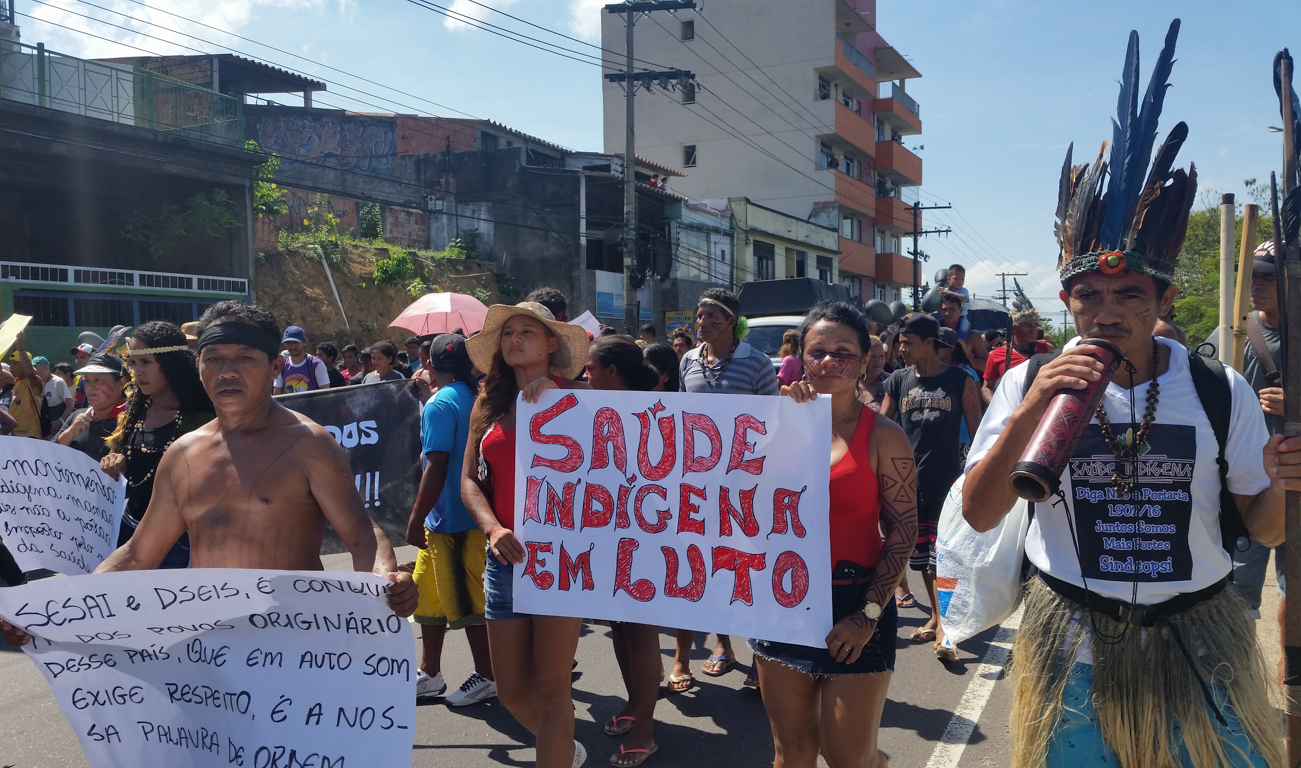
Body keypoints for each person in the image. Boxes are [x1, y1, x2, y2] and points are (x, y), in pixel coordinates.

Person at [965, 26, 1290, 765]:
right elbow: (982, 511)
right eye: (1088, 296)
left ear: (1161, 298)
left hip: (1198, 642)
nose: (1106, 311)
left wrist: (1284, 481)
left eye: (1126, 294)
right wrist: (1029, 407)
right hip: (1072, 648)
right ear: (1068, 303)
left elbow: (1265, 532)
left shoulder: (1216, 385)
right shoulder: (1024, 383)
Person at [2, 301, 417, 650]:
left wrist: (386, 580)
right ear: (198, 363)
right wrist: (50, 612)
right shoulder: (183, 454)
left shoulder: (310, 444)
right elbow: (137, 555)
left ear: (274, 366)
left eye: (245, 359)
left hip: (292, 644)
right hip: (206, 650)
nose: (227, 372)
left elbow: (362, 534)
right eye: (214, 358)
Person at [762, 301, 917, 768]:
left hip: (856, 600)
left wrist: (868, 613)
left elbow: (903, 530)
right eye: (818, 351)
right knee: (791, 752)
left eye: (844, 352)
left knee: (848, 756)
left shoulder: (883, 435)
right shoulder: (767, 423)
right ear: (801, 358)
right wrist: (781, 426)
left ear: (866, 359)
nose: (829, 361)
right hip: (780, 601)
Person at [462, 302, 591, 768]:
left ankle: (555, 750)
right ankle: (563, 747)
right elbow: (469, 482)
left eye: (527, 332)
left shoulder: (583, 397)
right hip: (505, 561)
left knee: (552, 688)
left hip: (563, 561)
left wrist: (562, 399)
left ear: (551, 343)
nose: (514, 339)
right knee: (512, 688)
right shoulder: (488, 402)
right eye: (507, 333)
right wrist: (492, 527)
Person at [679, 287, 779, 687]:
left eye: (712, 318)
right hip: (702, 487)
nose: (702, 323)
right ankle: (723, 644)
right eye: (699, 316)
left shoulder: (757, 364)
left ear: (732, 322)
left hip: (748, 488)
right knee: (710, 567)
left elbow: (771, 423)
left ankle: (761, 656)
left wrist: (747, 471)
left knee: (749, 568)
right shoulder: (687, 360)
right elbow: (681, 419)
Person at [1202, 244, 1289, 645]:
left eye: (1267, 275)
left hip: (1295, 482)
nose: (1255, 284)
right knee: (1235, 603)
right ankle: (1239, 698)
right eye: (1250, 275)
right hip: (1246, 488)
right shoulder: (1229, 332)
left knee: (1296, 604)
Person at [880, 314, 980, 661]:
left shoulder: (959, 379)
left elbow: (978, 431)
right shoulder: (897, 380)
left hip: (947, 484)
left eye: (908, 342)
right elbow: (881, 426)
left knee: (947, 558)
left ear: (929, 342)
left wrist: (975, 477)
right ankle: (937, 616)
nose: (901, 348)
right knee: (922, 559)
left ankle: (946, 630)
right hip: (908, 484)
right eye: (900, 342)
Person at [583, 336, 662, 766]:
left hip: (647, 539)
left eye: (591, 368)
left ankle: (646, 729)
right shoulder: (589, 408)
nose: (585, 375)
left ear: (612, 371)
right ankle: (635, 703)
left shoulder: (658, 413)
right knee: (619, 627)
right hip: (608, 538)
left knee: (641, 633)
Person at [405, 334, 496, 707]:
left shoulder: (441, 403)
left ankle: (488, 676)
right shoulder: (477, 396)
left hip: (454, 521)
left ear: (430, 363)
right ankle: (430, 672)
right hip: (451, 519)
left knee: (468, 602)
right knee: (427, 594)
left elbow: (436, 465)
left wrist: (415, 519)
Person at [100, 322, 215, 570]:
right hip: (128, 533)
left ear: (171, 363)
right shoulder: (135, 410)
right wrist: (114, 459)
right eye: (133, 363)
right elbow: (118, 451)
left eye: (146, 362)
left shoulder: (203, 417)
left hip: (180, 545)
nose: (137, 371)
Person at [55, 352, 127, 460]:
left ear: (121, 384)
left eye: (98, 380)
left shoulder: (130, 423)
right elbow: (49, 455)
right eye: (87, 380)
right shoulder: (77, 416)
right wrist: (70, 432)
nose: (90, 387)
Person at [981, 304, 1051, 403]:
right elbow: (986, 388)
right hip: (1014, 410)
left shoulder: (1047, 349)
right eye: (1027, 326)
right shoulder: (996, 355)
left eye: (1035, 325)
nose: (1034, 330)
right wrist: (999, 407)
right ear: (1014, 328)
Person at [936, 292, 989, 377]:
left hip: (965, 384)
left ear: (960, 310)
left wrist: (966, 358)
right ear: (939, 310)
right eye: (944, 309)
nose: (947, 313)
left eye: (952, 309)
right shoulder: (933, 335)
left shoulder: (972, 337)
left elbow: (988, 365)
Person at [272, 325, 331, 395]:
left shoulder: (316, 364)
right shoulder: (282, 366)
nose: (292, 346)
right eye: (289, 343)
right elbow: (277, 395)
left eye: (296, 342)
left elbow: (326, 395)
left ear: (305, 342)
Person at [6, 335, 43, 439]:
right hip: (14, 436)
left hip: (30, 436)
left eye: (15, 364)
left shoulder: (34, 382)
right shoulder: (17, 381)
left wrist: (20, 346)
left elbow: (30, 373)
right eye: (10, 364)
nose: (11, 367)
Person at [37, 356, 72, 437]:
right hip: (39, 427)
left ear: (45, 367)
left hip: (55, 427)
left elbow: (70, 404)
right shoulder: (34, 382)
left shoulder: (58, 382)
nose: (33, 371)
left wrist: (60, 421)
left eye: (35, 367)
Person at [858, 335, 890, 412]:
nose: (878, 361)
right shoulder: (848, 383)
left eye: (881, 356)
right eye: (873, 356)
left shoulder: (891, 384)